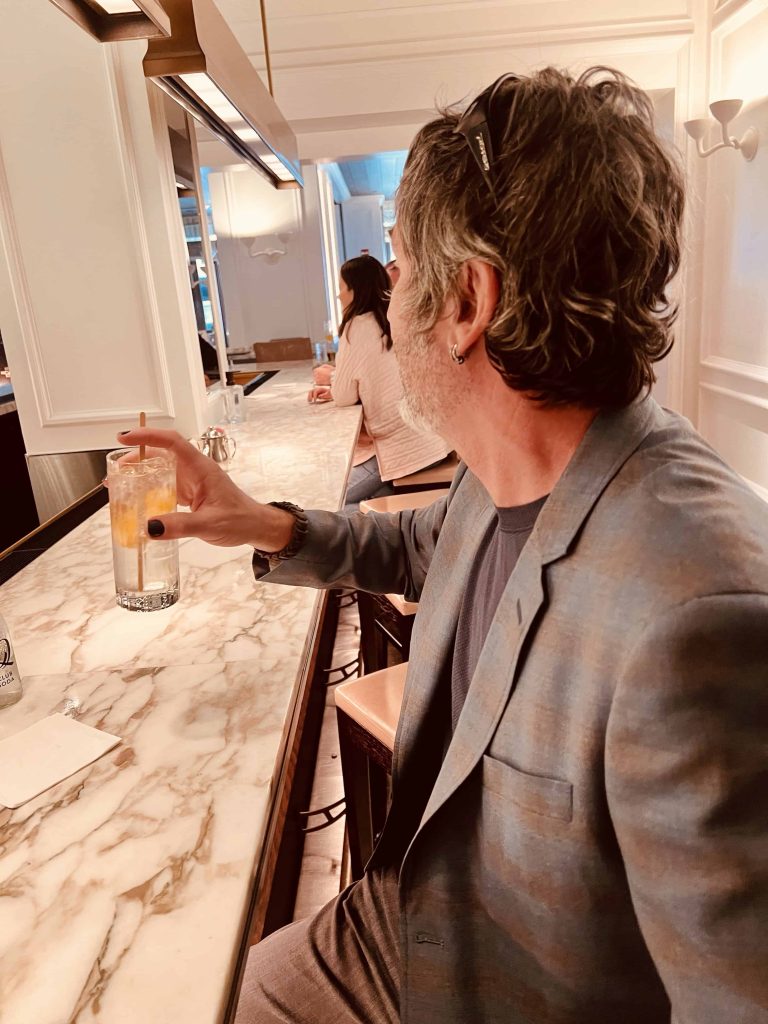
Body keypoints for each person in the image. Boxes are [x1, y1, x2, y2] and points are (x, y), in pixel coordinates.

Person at [122, 66, 768, 1024]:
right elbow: (417, 547)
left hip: (509, 989)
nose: (392, 299)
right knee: (239, 989)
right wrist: (260, 522)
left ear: (467, 302)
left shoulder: (696, 613)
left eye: (400, 269)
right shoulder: (502, 467)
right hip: (418, 913)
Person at [309, 254, 451, 509]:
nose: (339, 295)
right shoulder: (397, 318)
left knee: (330, 501)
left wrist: (333, 380)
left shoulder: (356, 327)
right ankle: (385, 514)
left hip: (405, 450)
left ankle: (376, 526)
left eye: (341, 287)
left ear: (355, 290)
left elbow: (344, 397)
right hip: (433, 441)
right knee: (366, 496)